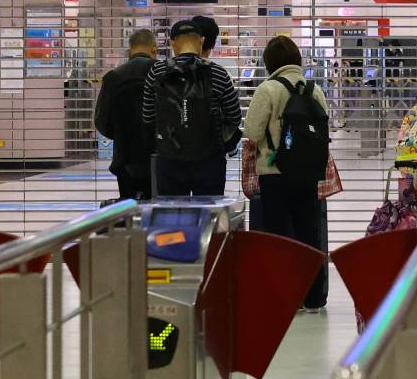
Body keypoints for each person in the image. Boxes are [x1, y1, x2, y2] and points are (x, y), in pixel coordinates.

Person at [242, 35, 333, 310]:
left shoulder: (267, 89)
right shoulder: (314, 90)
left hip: (274, 173)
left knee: (278, 237)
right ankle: (313, 296)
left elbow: (253, 133)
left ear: (269, 63)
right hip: (307, 173)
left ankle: (283, 297)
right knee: (309, 235)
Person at [140, 16, 241, 197]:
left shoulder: (156, 72)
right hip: (209, 161)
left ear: (172, 43)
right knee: (209, 216)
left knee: (173, 217)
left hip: (169, 160)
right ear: (201, 41)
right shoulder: (218, 73)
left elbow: (148, 117)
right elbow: (234, 117)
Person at [95, 28, 160, 203]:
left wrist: (120, 133)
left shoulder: (113, 77)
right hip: (159, 158)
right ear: (154, 49)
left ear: (129, 51)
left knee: (129, 211)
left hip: (125, 159)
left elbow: (102, 121)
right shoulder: (163, 74)